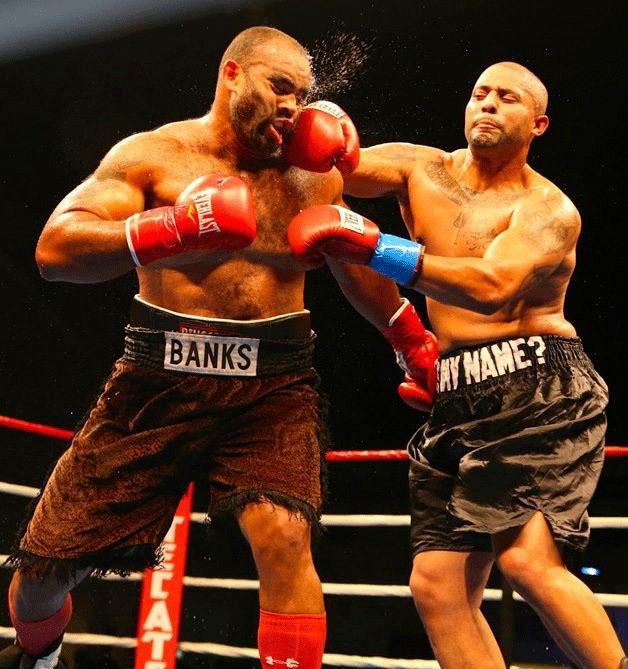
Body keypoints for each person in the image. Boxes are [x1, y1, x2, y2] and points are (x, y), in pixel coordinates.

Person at [0, 25, 437, 669]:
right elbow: (55, 251)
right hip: (156, 377)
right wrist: (169, 228)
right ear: (232, 75)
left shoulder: (312, 175)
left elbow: (352, 265)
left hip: (274, 383)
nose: (293, 105)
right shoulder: (154, 156)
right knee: (42, 576)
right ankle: (38, 656)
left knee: (285, 535)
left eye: (303, 93)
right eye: (279, 86)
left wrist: (410, 337)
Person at [287, 62, 627, 669]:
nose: (488, 105)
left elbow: (493, 286)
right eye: (479, 94)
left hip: (540, 392)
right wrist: (289, 125)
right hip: (456, 394)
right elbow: (331, 167)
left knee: (526, 560)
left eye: (508, 99)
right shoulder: (422, 169)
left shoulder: (550, 209)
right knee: (438, 585)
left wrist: (375, 247)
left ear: (538, 124)